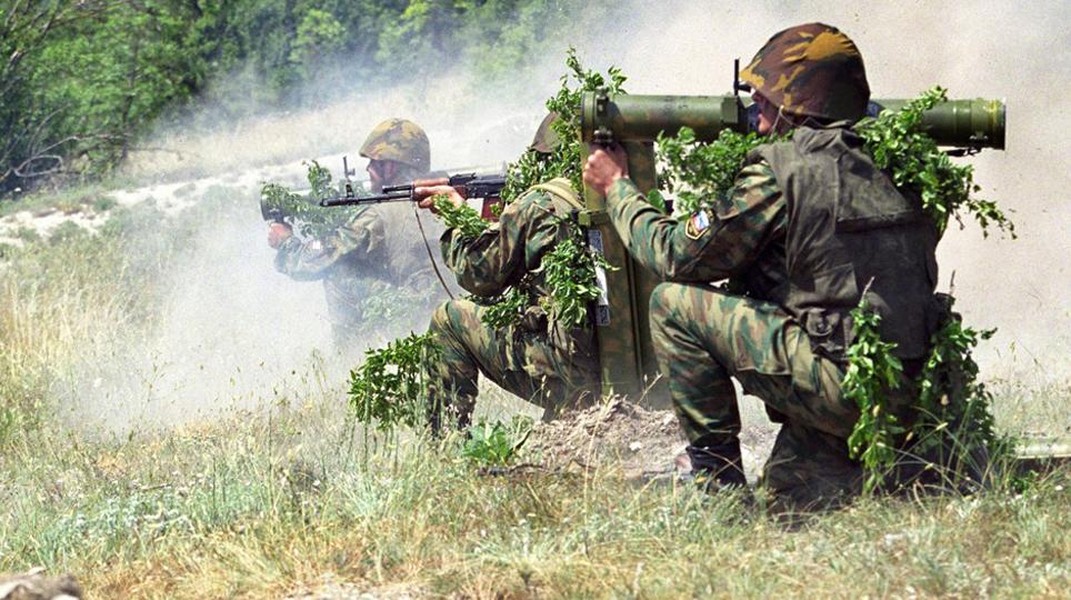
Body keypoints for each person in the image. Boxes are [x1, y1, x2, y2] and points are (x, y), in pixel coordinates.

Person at [583, 23, 941, 509]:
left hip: (839, 387)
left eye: (768, 99)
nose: (760, 114)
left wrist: (617, 187)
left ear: (799, 103)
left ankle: (719, 484)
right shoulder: (904, 163)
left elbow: (675, 255)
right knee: (790, 500)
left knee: (672, 304)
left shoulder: (783, 170)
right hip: (911, 393)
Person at [413, 115, 600, 432]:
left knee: (449, 319)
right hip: (634, 371)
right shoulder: (630, 194)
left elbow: (479, 274)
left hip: (576, 379)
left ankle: (442, 443)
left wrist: (457, 216)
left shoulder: (541, 203)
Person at [268, 118, 433, 351]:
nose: (368, 170)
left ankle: (349, 359)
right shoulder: (445, 199)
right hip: (443, 306)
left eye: (374, 163)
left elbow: (317, 259)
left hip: (416, 313)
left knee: (339, 274)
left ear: (390, 166)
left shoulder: (378, 216)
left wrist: (287, 242)